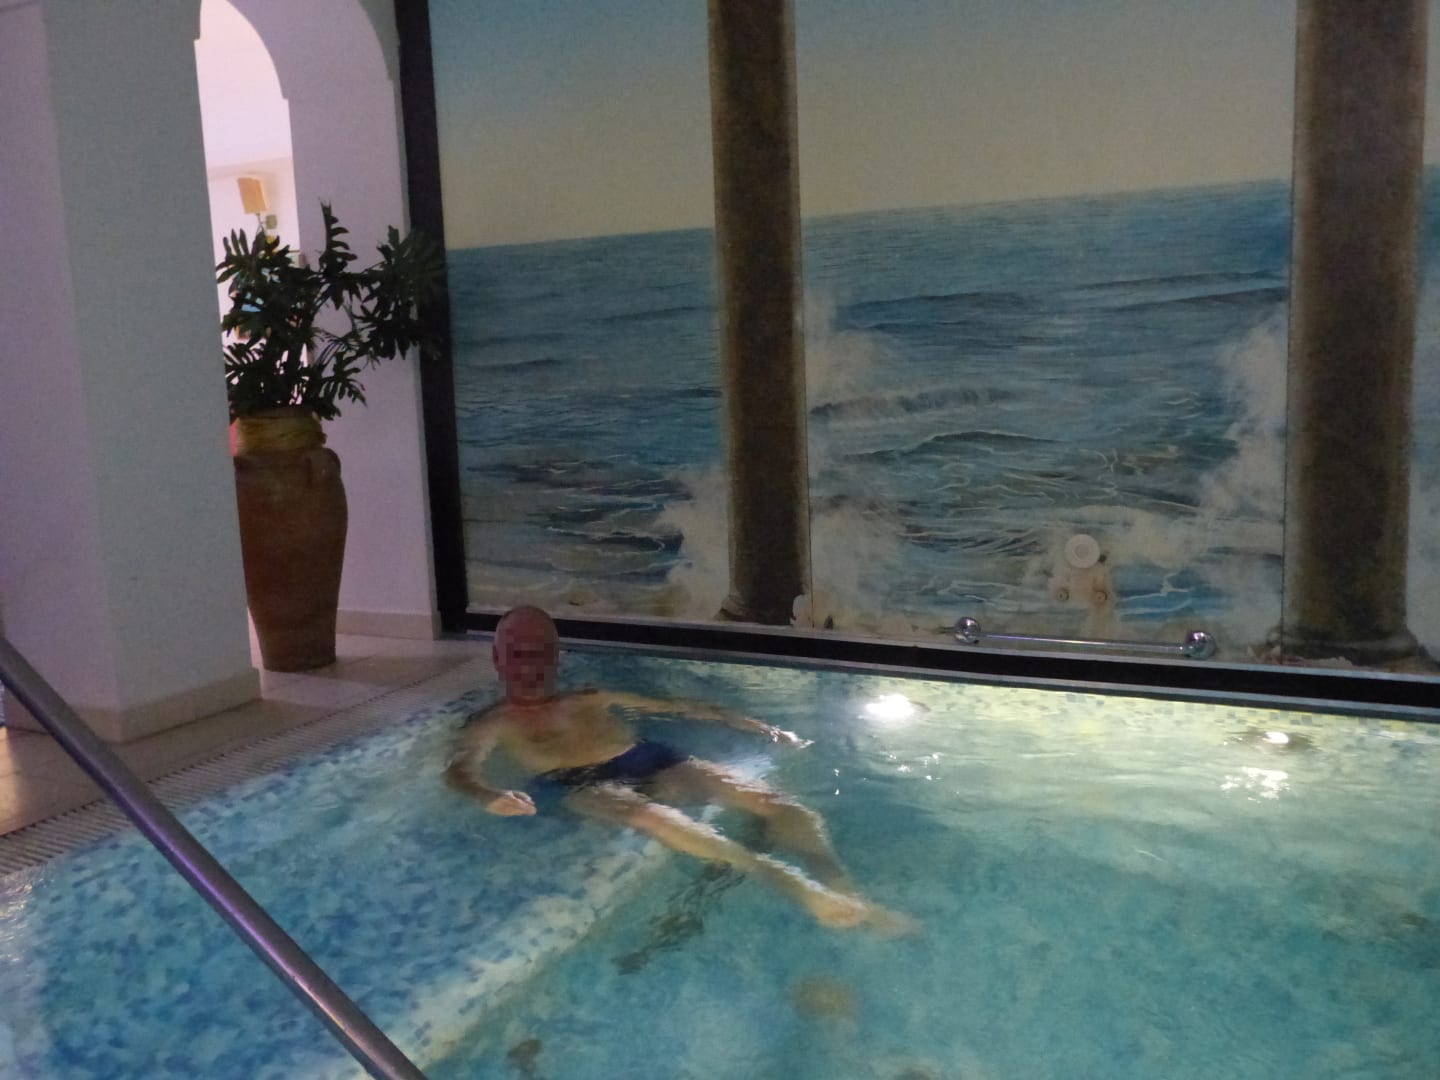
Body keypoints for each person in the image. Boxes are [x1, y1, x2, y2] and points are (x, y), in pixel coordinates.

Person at [447, 605, 893, 929]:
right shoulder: (494, 722)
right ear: (498, 659)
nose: (530, 666)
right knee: (655, 818)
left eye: (540, 653)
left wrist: (762, 727)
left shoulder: (589, 696)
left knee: (776, 803)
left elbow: (678, 707)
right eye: (518, 654)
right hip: (574, 782)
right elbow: (460, 770)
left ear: (556, 656)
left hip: (647, 757)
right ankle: (796, 886)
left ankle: (849, 893)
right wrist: (488, 795)